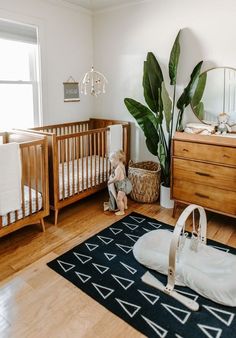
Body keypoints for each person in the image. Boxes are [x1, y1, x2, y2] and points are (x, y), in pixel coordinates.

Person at [104, 150, 132, 216]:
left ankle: (122, 211)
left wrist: (110, 181)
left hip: (121, 186)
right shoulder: (122, 165)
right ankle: (125, 205)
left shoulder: (118, 169)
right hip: (125, 183)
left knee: (119, 199)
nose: (112, 164)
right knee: (124, 196)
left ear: (116, 160)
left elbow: (116, 178)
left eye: (112, 162)